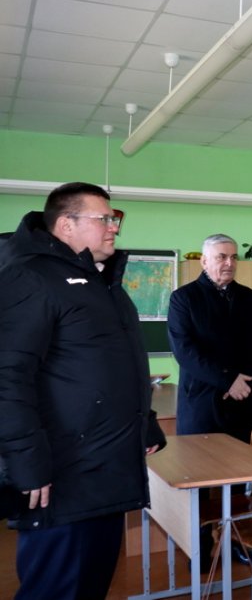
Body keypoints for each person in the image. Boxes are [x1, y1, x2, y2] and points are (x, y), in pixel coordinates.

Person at [0, 182, 165, 599]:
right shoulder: (31, 277)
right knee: (56, 589)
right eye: (104, 218)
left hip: (105, 474)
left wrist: (144, 421)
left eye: (115, 218)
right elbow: (8, 377)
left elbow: (119, 368)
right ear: (65, 225)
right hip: (61, 477)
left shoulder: (101, 283)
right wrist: (27, 463)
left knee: (90, 586)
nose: (114, 227)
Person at [168, 234, 252, 444]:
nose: (230, 263)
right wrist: (228, 381)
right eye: (222, 257)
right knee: (200, 461)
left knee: (245, 462)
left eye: (234, 257)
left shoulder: (249, 298)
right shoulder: (184, 298)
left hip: (243, 401)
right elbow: (184, 350)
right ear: (204, 261)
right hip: (202, 403)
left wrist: (247, 381)